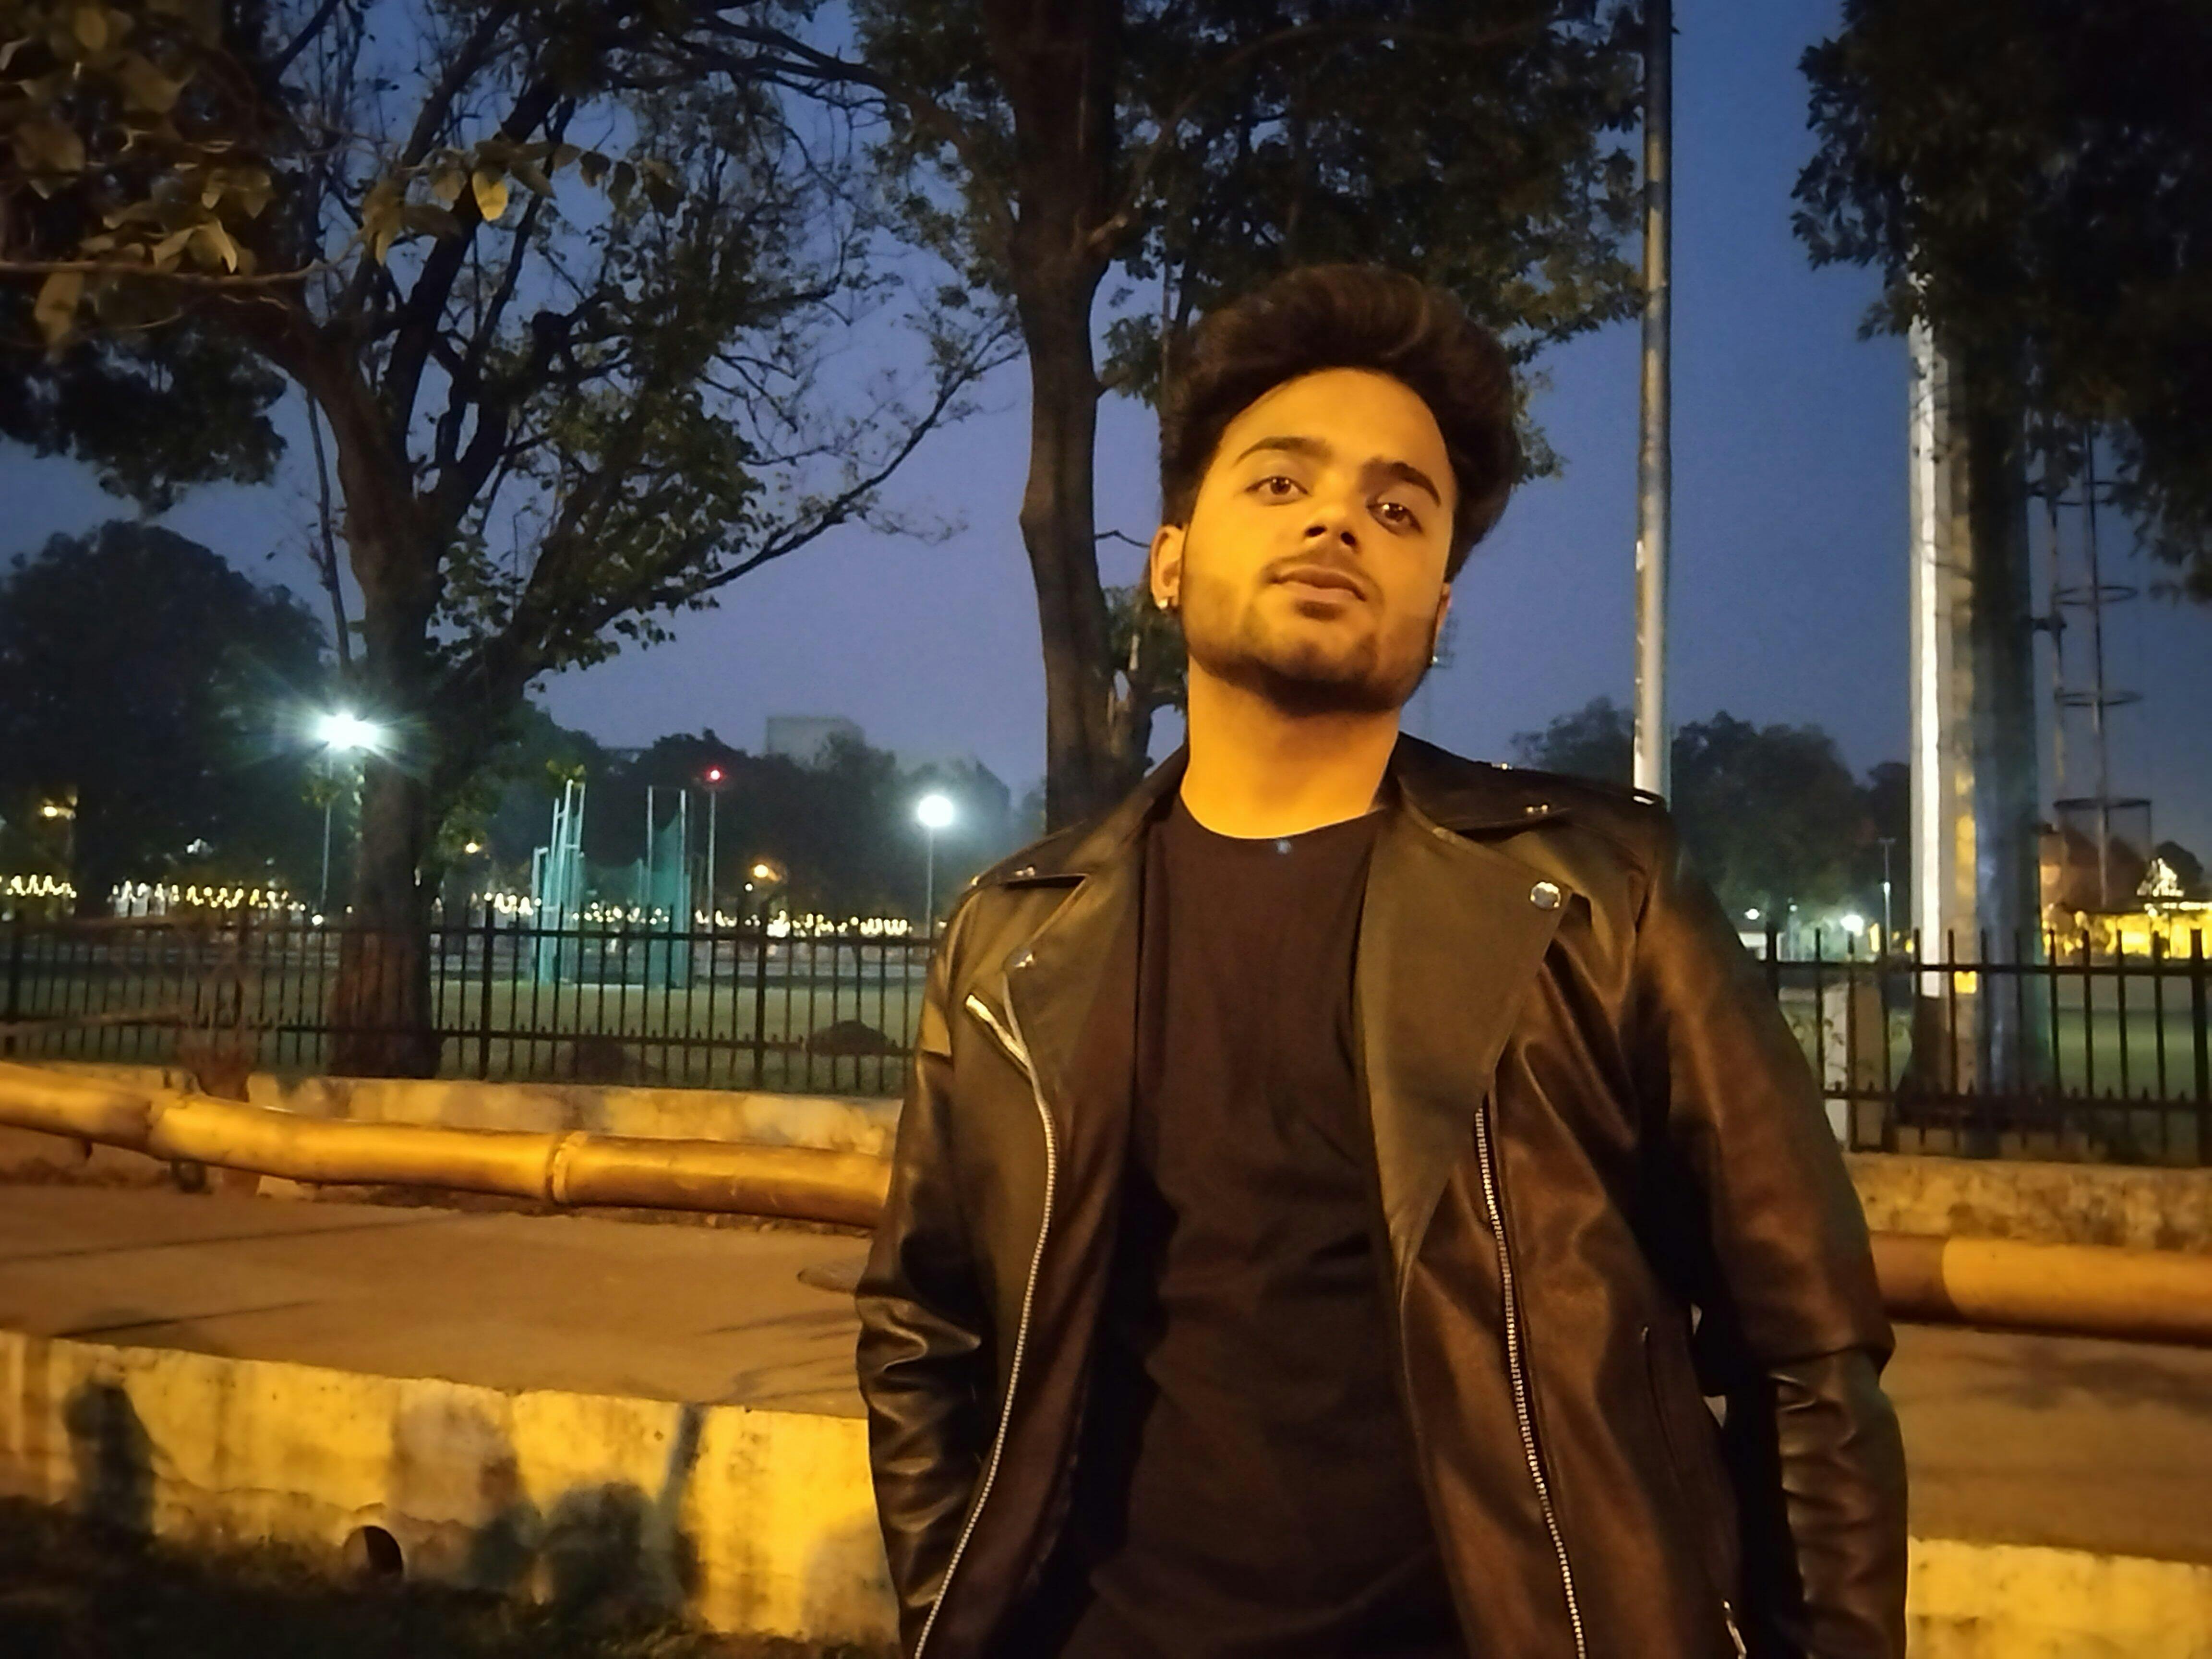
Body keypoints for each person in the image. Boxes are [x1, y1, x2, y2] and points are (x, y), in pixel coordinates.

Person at [855, 263, 1907, 1659]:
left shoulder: (1601, 897)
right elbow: (924, 1325)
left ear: (1439, 609)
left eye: (1399, 508)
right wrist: (953, 1603)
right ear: (1169, 562)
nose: (1337, 520)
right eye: (1280, 483)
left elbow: (1808, 1356)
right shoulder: (1013, 934)